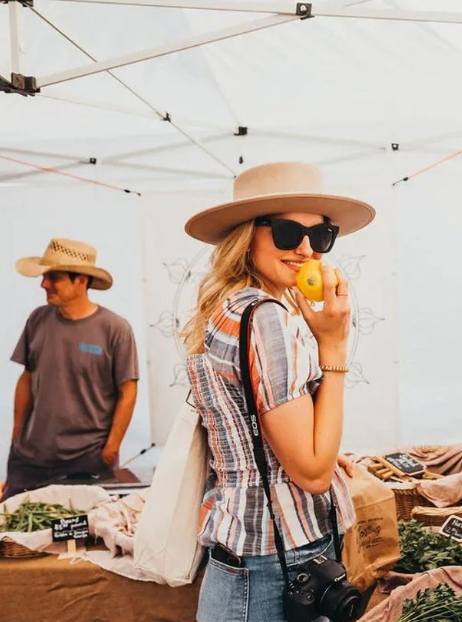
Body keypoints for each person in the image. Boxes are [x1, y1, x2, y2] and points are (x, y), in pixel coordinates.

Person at [183, 161, 375, 622]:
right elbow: (310, 473)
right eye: (288, 232)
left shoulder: (227, 306)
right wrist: (334, 344)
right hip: (278, 558)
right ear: (248, 234)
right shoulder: (267, 317)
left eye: (321, 235)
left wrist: (319, 448)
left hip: (245, 552)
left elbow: (245, 426)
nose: (307, 248)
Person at [3, 238, 139, 500]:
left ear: (81, 281)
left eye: (54, 277)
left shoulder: (115, 329)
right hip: (29, 458)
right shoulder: (38, 319)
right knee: (12, 529)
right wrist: (17, 434)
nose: (44, 284)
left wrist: (111, 447)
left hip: (87, 459)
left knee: (83, 532)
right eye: (45, 276)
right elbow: (27, 378)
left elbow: (128, 391)